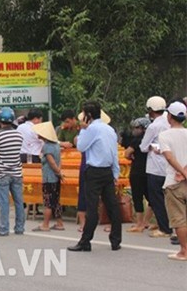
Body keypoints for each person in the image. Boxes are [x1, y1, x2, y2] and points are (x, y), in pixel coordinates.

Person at [68, 101, 121, 252]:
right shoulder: (109, 129)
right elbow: (114, 152)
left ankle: (85, 241)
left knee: (92, 207)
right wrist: (115, 172)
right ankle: (116, 240)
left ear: (88, 116)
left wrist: (84, 130)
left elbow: (80, 146)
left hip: (94, 171)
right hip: (107, 171)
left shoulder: (91, 129)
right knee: (112, 206)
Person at [0, 107, 25, 236]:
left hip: (2, 173)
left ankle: (4, 229)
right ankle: (19, 228)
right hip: (16, 172)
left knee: (4, 202)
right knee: (19, 201)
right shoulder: (19, 135)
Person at [140, 96, 172, 238]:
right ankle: (168, 224)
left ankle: (164, 228)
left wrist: (152, 147)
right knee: (168, 198)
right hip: (170, 166)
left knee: (156, 198)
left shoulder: (153, 126)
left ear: (151, 110)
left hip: (155, 168)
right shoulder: (169, 122)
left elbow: (143, 147)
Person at [158, 101, 187, 260]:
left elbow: (169, 157)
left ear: (169, 116)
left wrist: (182, 172)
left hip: (173, 181)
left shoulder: (165, 135)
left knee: (179, 218)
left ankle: (184, 251)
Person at [32, 122, 65, 231]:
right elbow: (58, 162)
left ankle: (45, 224)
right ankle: (59, 223)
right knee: (56, 201)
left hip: (49, 178)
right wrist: (59, 173)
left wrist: (57, 172)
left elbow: (51, 162)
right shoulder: (56, 145)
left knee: (48, 202)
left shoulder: (47, 147)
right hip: (56, 177)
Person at [124, 117, 152, 232]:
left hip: (137, 171)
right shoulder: (152, 139)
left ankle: (139, 223)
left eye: (136, 128)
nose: (134, 130)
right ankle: (146, 221)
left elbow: (127, 153)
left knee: (137, 197)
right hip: (149, 171)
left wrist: (132, 156)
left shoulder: (137, 141)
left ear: (143, 128)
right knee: (151, 197)